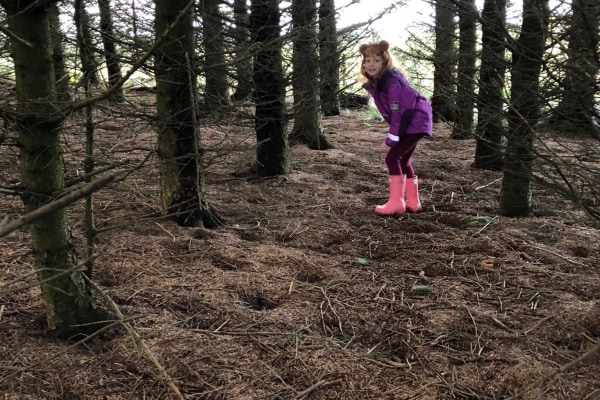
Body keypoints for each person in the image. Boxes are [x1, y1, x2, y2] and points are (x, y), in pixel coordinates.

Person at [359, 40, 433, 215]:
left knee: (392, 158)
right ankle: (413, 202)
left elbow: (399, 112)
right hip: (415, 121)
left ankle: (396, 203)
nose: (371, 64)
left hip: (414, 121)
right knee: (403, 160)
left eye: (376, 60)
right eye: (367, 60)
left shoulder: (391, 82)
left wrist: (391, 139)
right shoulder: (379, 82)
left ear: (385, 62)